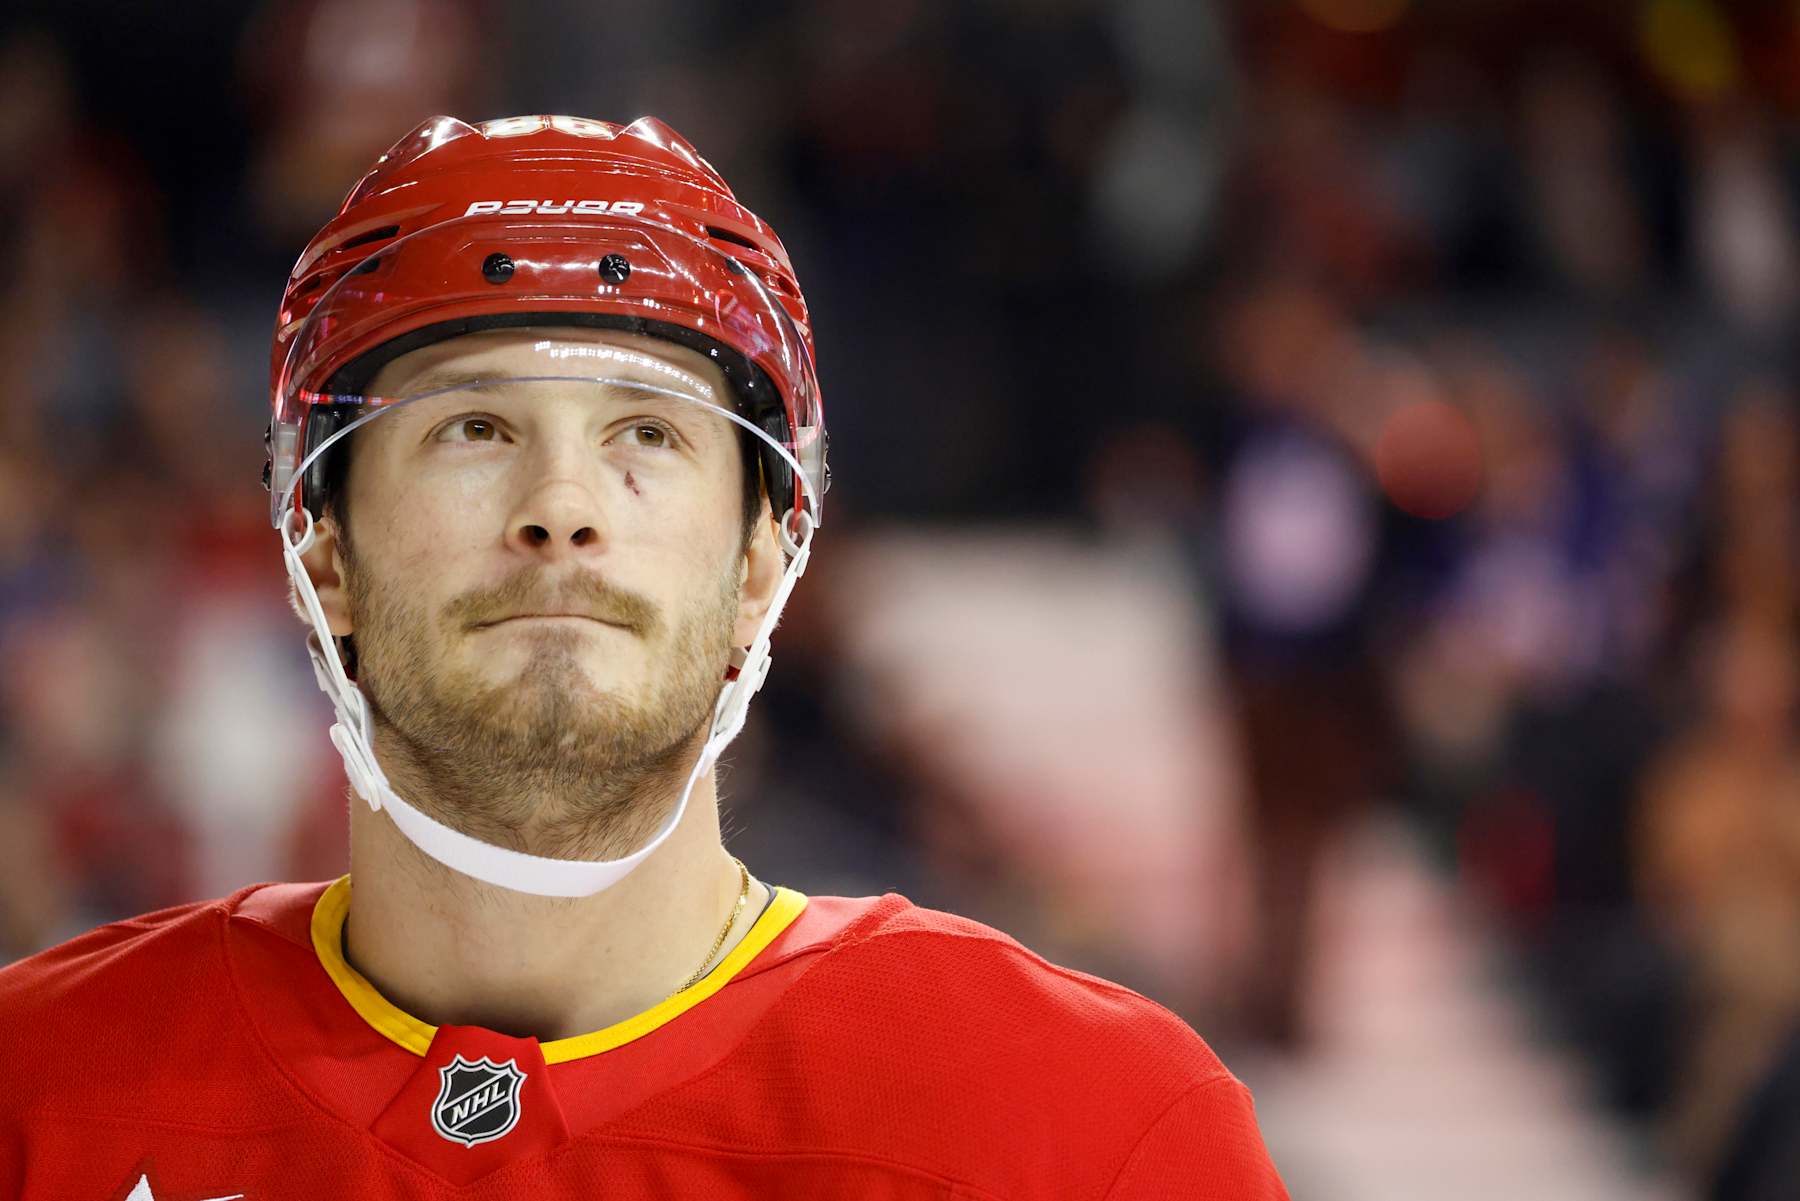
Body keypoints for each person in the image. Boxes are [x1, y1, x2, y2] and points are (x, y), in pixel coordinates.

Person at [0, 114, 1288, 1199]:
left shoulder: (1093, 1135)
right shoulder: (37, 1099)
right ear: (321, 548)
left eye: (649, 435)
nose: (561, 506)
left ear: (760, 562)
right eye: (472, 426)